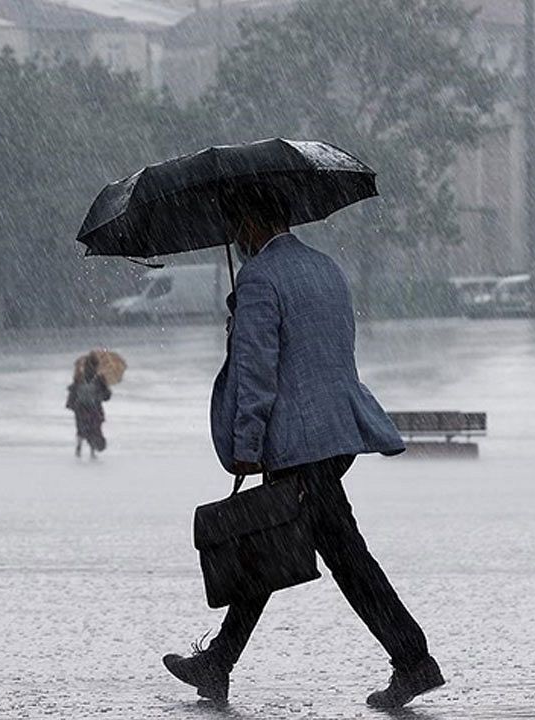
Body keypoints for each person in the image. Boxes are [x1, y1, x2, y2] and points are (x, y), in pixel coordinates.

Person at [162, 185, 443, 709]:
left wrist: (247, 443)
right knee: (270, 542)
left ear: (251, 221)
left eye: (235, 226)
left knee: (340, 555)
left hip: (296, 443)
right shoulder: (325, 268)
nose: (234, 238)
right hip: (335, 433)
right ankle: (218, 662)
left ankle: (413, 660)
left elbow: (257, 372)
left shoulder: (260, 278)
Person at [66, 352, 111, 459]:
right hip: (94, 408)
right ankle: (92, 451)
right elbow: (106, 395)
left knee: (81, 428)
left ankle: (79, 447)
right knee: (94, 428)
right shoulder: (99, 379)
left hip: (81, 408)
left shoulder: (79, 377)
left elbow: (73, 391)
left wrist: (71, 404)